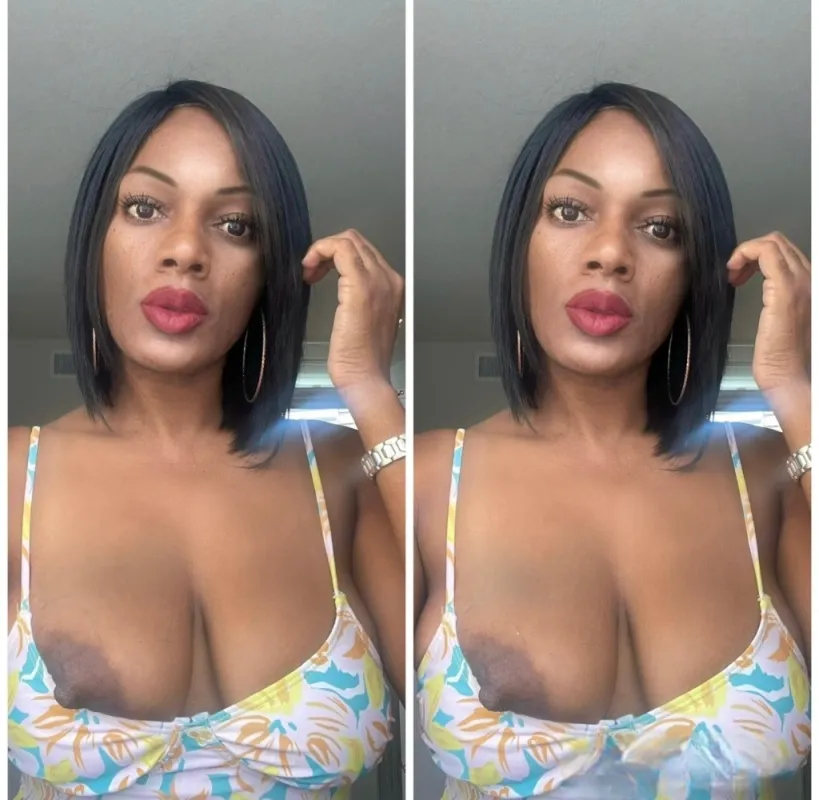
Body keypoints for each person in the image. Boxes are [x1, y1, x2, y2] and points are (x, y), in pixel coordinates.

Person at [7, 80, 406, 799]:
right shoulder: (13, 477)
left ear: (270, 272)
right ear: (95, 239)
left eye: (235, 225)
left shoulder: (342, 470)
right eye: (145, 208)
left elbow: (466, 703)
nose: (186, 249)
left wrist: (372, 393)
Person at [414, 83, 810, 798]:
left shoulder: (769, 473)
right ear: (520, 241)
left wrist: (793, 390)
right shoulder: (426, 476)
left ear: (696, 273)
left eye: (660, 228)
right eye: (570, 211)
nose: (609, 254)